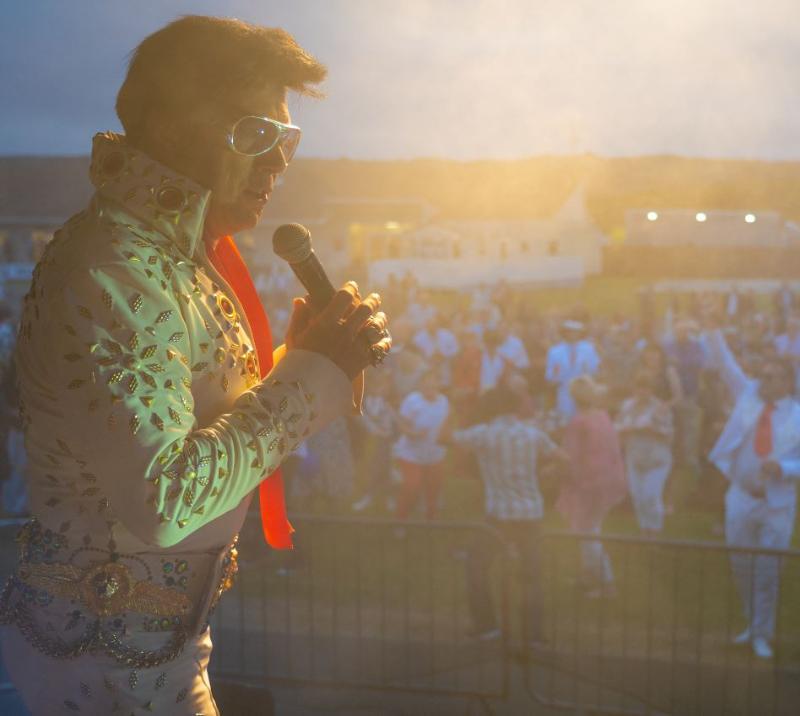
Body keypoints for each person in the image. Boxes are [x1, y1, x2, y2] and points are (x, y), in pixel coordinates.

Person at [0, 17, 392, 715]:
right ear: (171, 127)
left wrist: (299, 359)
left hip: (135, 648)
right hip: (104, 665)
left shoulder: (161, 253)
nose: (279, 163)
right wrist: (310, 378)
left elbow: (183, 412)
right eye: (254, 134)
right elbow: (163, 500)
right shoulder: (115, 269)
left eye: (287, 139)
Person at [704, 318, 800, 660]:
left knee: (768, 570)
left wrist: (786, 467)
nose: (763, 380)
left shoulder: (798, 415)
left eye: (771, 376)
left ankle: (763, 632)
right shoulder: (748, 396)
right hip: (741, 497)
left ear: (787, 382)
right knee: (741, 564)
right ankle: (751, 625)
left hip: (776, 503)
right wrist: (712, 327)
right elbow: (727, 365)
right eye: (762, 374)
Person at [448, 384, 566, 644]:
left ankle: (486, 626)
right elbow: (563, 458)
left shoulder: (484, 434)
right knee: (531, 575)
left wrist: (455, 409)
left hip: (499, 516)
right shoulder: (533, 433)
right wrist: (548, 473)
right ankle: (534, 635)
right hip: (530, 512)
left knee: (476, 566)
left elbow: (448, 437)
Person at [557, 376, 627, 598]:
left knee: (587, 532)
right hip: (609, 478)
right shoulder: (603, 417)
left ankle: (607, 583)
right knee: (589, 529)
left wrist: (555, 471)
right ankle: (589, 576)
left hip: (589, 482)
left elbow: (570, 457)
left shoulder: (579, 423)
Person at [616, 371, 674, 536]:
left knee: (650, 495)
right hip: (634, 457)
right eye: (639, 388)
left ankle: (655, 530)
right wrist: (627, 429)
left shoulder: (661, 407)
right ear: (634, 389)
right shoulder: (627, 406)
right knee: (637, 496)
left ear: (651, 390)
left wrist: (653, 430)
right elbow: (617, 426)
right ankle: (644, 530)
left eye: (646, 389)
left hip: (657, 459)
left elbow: (669, 433)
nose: (642, 392)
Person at [393, 371, 450, 521]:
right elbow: (401, 424)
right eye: (426, 382)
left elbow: (445, 423)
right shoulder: (412, 401)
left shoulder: (444, 401)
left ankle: (430, 519)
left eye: (433, 382)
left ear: (438, 384)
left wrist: (446, 435)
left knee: (434, 488)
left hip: (435, 454)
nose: (429, 385)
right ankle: (400, 520)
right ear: (420, 384)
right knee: (412, 486)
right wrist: (413, 433)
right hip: (411, 453)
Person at [545, 320, 601, 425]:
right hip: (564, 394)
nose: (573, 334)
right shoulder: (555, 351)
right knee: (567, 424)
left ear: (580, 333)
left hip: (584, 394)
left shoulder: (588, 348)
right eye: (570, 331)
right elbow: (550, 377)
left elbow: (595, 371)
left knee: (586, 424)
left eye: (576, 331)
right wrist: (556, 377)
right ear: (565, 332)